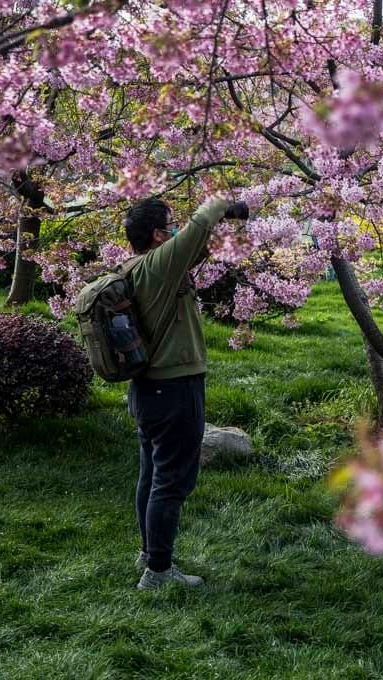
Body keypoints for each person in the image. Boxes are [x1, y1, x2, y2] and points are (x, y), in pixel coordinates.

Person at [123, 195, 249, 590]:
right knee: (172, 481)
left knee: (152, 474)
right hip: (174, 389)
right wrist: (228, 205)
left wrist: (226, 231)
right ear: (159, 235)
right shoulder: (159, 265)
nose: (177, 229)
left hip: (149, 390)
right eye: (170, 224)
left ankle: (149, 553)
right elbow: (201, 222)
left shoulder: (140, 268)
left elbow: (198, 245)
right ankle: (158, 572)